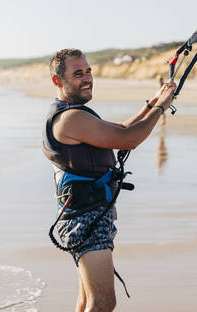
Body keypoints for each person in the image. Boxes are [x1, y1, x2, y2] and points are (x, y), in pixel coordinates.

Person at [42, 49, 176, 312]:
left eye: (88, 71)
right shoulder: (71, 118)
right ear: (58, 81)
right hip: (85, 220)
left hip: (85, 216)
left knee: (86, 302)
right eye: (77, 73)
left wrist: (153, 102)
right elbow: (130, 140)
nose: (87, 78)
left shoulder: (75, 113)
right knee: (103, 303)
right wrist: (162, 106)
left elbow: (123, 129)